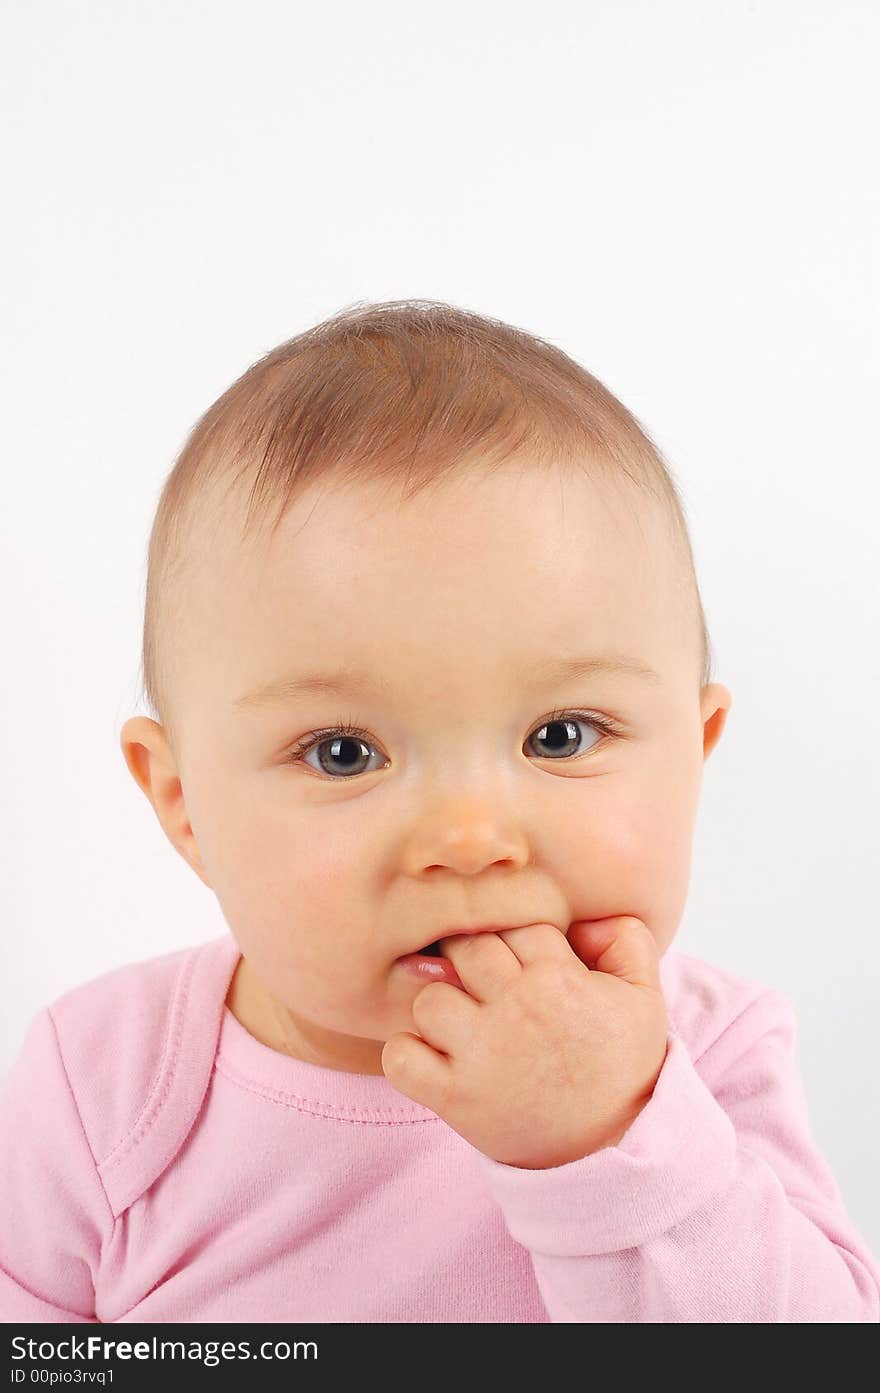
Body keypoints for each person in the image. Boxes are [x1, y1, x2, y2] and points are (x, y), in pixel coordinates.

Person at [3, 300, 878, 1323]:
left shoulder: (703, 1053)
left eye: (560, 735)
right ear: (184, 802)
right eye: (344, 753)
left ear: (695, 753)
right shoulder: (109, 1078)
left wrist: (609, 1140)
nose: (469, 839)